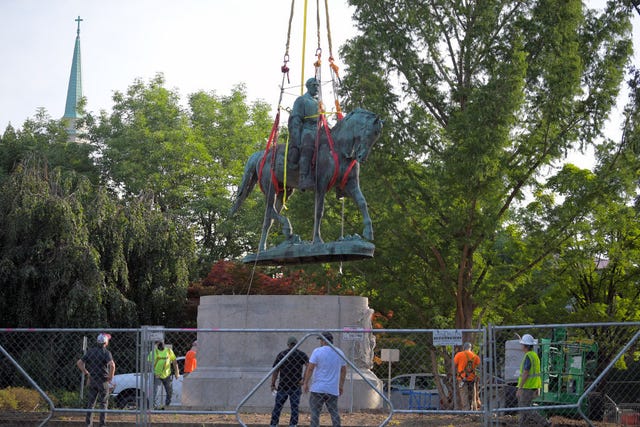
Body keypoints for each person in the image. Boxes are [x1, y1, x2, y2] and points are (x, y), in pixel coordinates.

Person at [303, 332, 347, 427]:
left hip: (318, 388)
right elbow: (343, 370)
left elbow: (310, 368)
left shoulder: (317, 351)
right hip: (332, 389)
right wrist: (341, 385)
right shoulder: (339, 352)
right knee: (334, 412)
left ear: (323, 341)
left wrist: (306, 382)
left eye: (321, 340)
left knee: (315, 413)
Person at [76, 333, 115, 427]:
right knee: (103, 403)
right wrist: (110, 377)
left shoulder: (90, 351)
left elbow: (79, 363)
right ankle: (102, 424)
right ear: (105, 342)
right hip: (103, 381)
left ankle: (88, 424)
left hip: (92, 380)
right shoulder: (106, 352)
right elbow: (112, 365)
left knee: (91, 403)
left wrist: (87, 373)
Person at [288, 77, 320, 190]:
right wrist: (296, 139)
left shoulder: (319, 102)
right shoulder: (302, 100)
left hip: (320, 130)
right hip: (307, 129)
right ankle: (303, 178)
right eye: (314, 85)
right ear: (308, 86)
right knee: (308, 147)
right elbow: (296, 120)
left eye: (317, 85)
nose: (316, 87)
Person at [270, 336, 309, 427]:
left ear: (288, 344)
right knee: (294, 407)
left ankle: (274, 424)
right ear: (296, 344)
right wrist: (304, 379)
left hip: (283, 385)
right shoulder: (301, 354)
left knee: (278, 407)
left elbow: (276, 370)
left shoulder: (282, 354)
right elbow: (308, 365)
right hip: (295, 385)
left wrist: (272, 384)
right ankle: (293, 424)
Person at [516, 334, 550, 426]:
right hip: (533, 386)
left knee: (524, 408)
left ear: (525, 346)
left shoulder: (528, 356)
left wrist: (520, 387)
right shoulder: (535, 356)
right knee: (524, 409)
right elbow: (537, 374)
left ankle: (544, 423)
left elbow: (526, 373)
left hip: (527, 387)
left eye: (522, 344)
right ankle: (522, 425)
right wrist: (538, 387)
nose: (521, 346)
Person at [148, 340, 180, 409]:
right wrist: (152, 371)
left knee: (169, 391)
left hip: (167, 374)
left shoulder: (169, 351)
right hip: (157, 375)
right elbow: (149, 363)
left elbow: (174, 362)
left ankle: (167, 405)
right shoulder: (153, 352)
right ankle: (155, 407)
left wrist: (177, 372)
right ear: (157, 345)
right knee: (156, 391)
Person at [453, 342, 481, 410]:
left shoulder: (459, 355)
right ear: (470, 348)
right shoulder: (475, 356)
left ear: (463, 348)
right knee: (473, 395)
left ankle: (466, 410)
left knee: (464, 395)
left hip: (462, 378)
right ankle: (474, 409)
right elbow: (478, 365)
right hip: (472, 378)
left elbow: (454, 364)